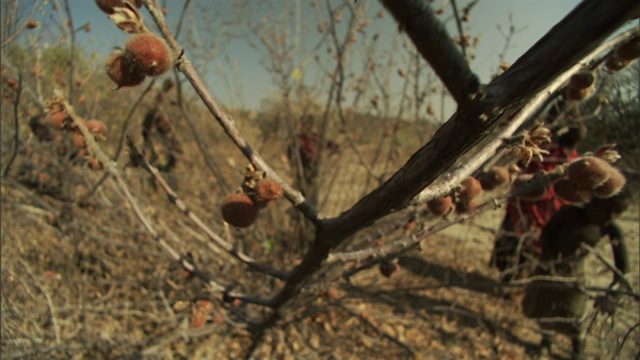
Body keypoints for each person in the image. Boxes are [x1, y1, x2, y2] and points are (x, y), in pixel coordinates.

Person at [521, 191, 630, 359]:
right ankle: (546, 342)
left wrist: (613, 294)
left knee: (573, 315)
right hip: (551, 268)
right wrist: (551, 261)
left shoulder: (609, 228)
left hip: (575, 275)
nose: (610, 217)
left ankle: (577, 352)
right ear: (596, 202)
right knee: (546, 310)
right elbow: (547, 234)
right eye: (608, 210)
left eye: (616, 214)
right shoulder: (569, 213)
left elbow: (623, 268)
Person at [490, 123, 587, 281]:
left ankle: (518, 278)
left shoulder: (572, 159)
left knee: (529, 245)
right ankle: (507, 275)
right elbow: (525, 167)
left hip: (543, 210)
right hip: (526, 204)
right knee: (513, 240)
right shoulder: (551, 152)